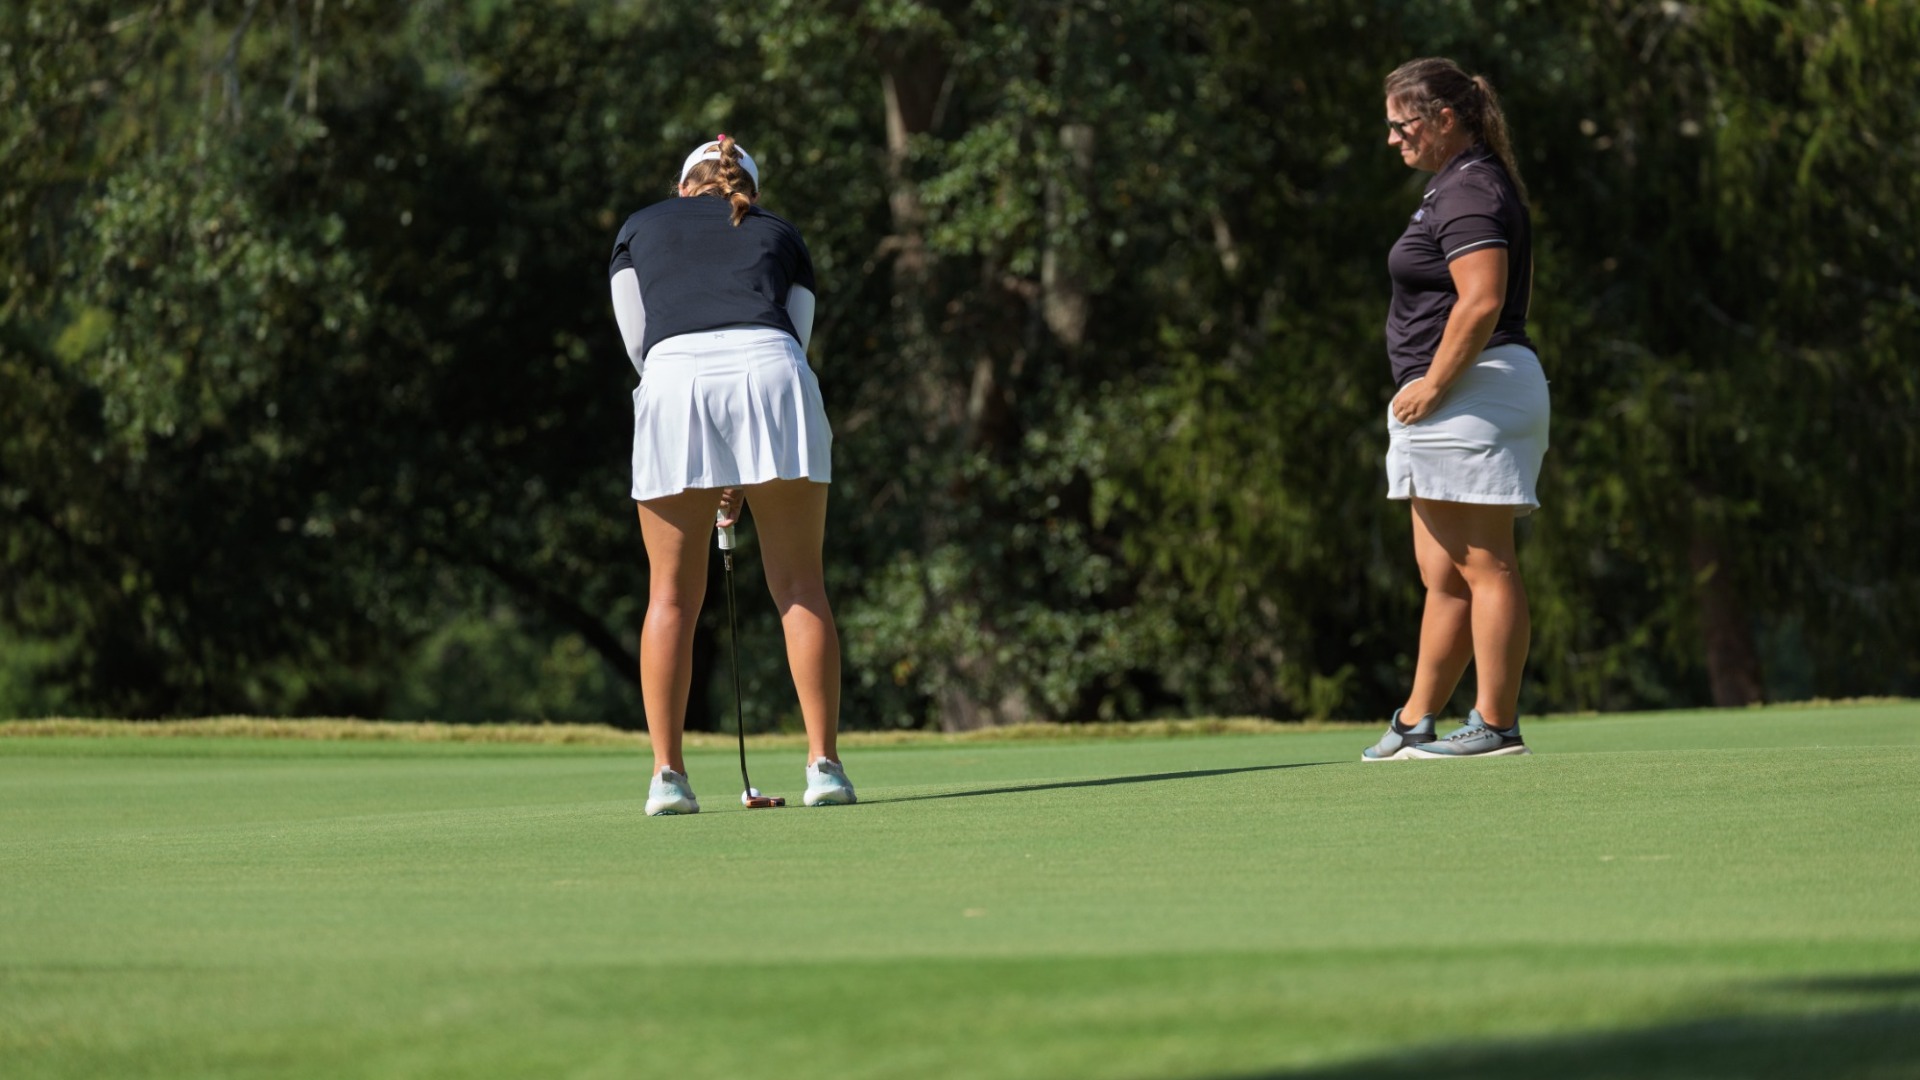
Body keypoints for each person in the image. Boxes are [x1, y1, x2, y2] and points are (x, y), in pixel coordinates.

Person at [608, 135, 856, 812]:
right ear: (745, 186)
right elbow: (793, 342)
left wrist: (711, 459)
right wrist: (739, 468)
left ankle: (667, 777)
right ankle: (824, 766)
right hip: (771, 375)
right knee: (801, 583)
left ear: (684, 184)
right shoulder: (778, 229)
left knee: (671, 598)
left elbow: (640, 342)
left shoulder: (640, 225)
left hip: (672, 382)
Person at [1361, 59, 1549, 761]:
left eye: (1401, 125)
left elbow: (1481, 299)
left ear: (1444, 120)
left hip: (1472, 390)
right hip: (1452, 396)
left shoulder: (1470, 189)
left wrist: (1435, 385)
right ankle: (1416, 719)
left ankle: (1497, 724)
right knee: (1442, 574)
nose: (1392, 139)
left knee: (1483, 562)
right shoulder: (1452, 186)